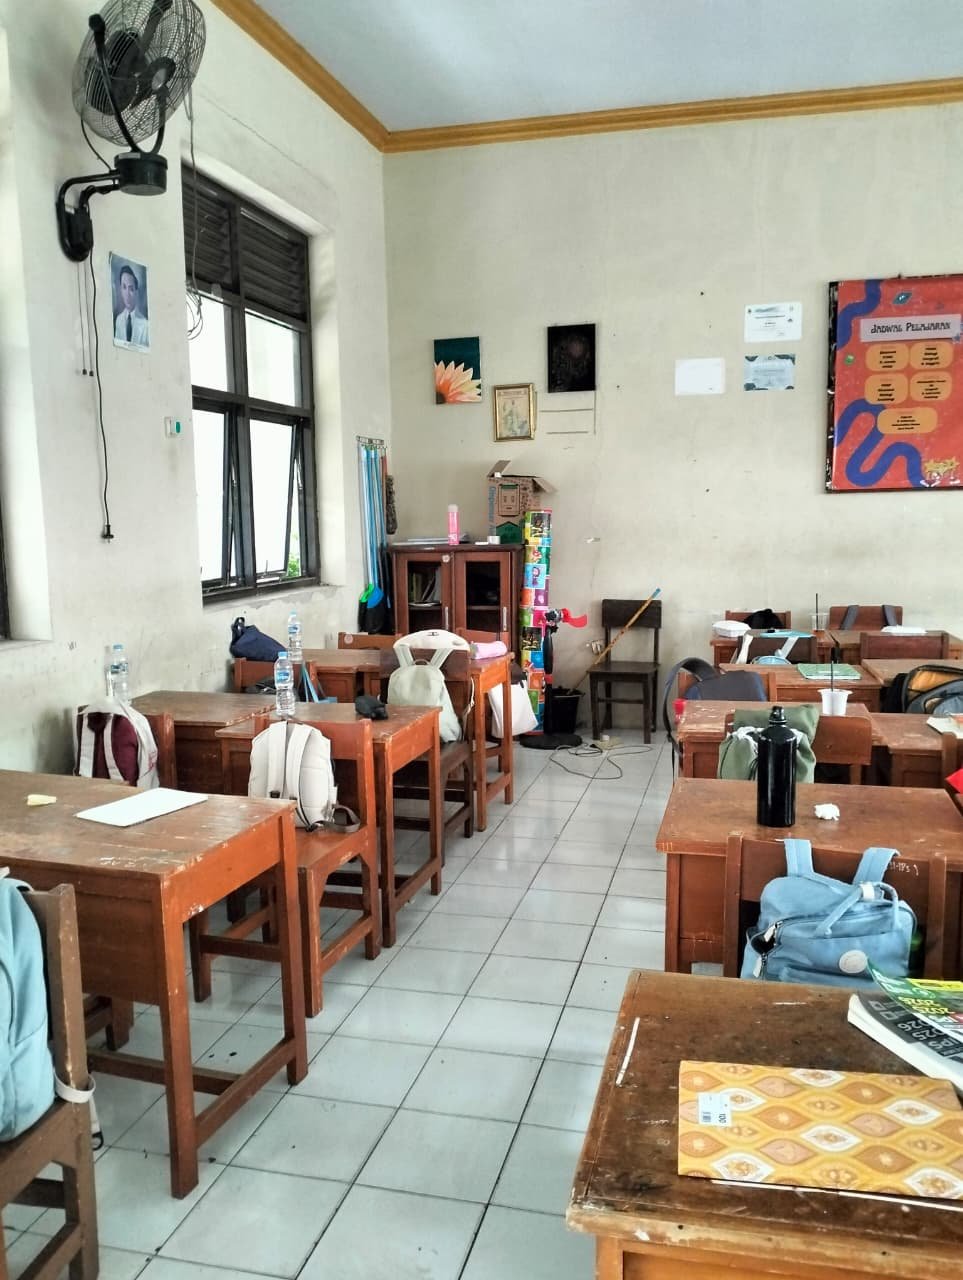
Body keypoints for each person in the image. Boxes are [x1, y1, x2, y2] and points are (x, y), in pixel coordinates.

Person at [113, 264, 149, 348]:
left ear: (136, 292)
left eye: (131, 289)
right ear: (121, 290)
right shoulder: (118, 320)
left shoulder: (145, 325)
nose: (127, 294)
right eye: (124, 287)